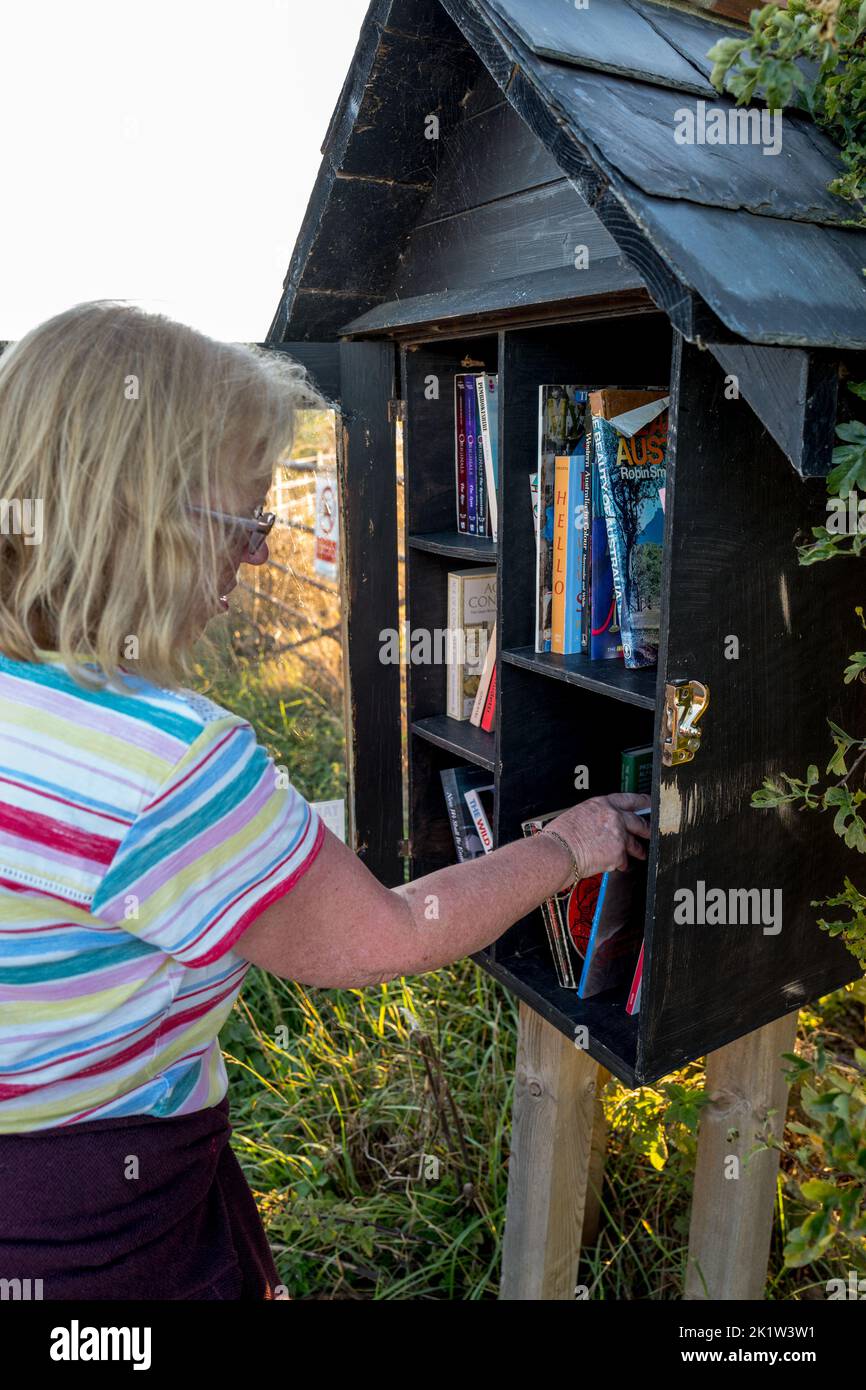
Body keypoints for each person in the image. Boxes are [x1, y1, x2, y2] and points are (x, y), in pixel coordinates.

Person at [0, 301, 650, 1299]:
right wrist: (571, 842)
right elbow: (380, 936)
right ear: (142, 516)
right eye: (244, 519)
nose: (257, 555)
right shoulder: (166, 762)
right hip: (96, 1210)